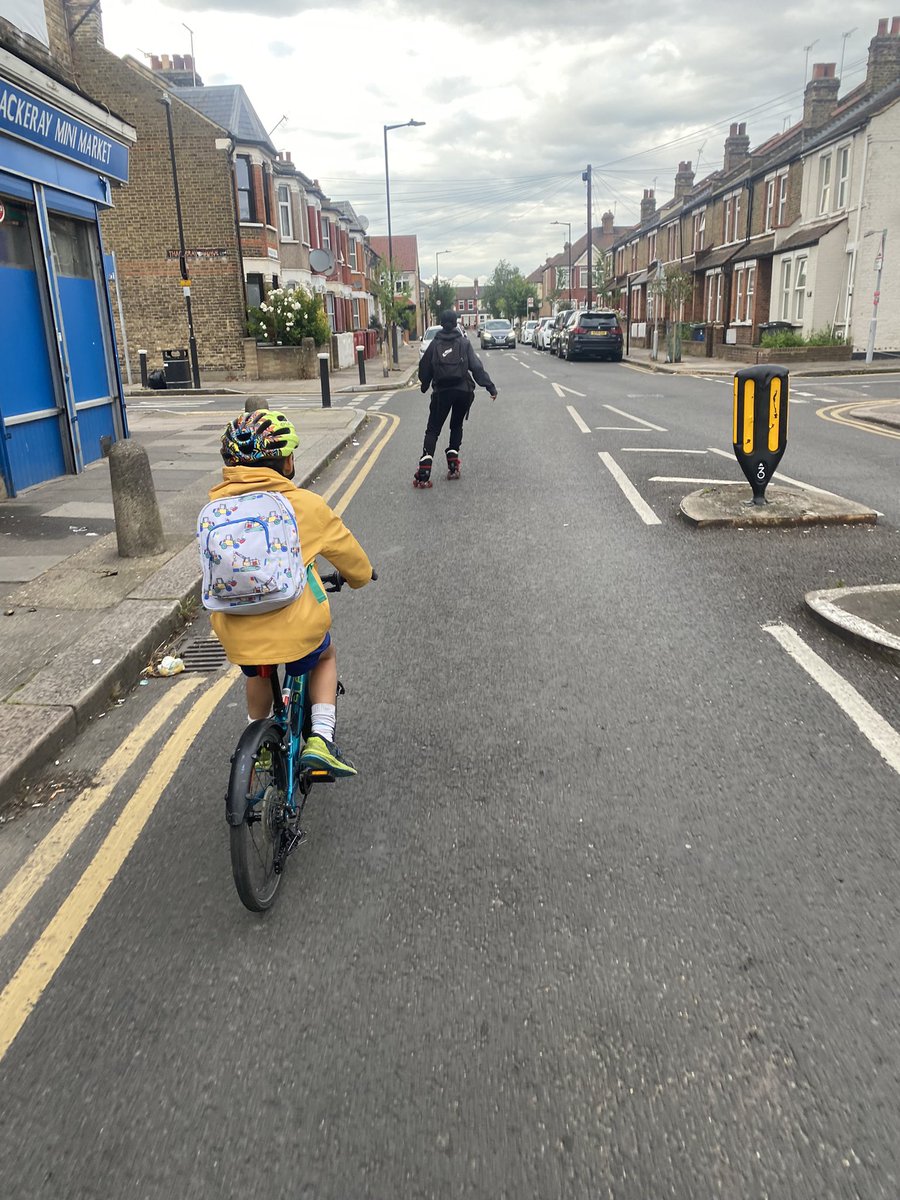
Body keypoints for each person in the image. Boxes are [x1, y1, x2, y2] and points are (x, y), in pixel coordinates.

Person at [210, 409, 374, 776]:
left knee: (257, 672)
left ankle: (259, 739)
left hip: (237, 632)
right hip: (297, 633)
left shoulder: (215, 510)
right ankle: (320, 739)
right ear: (283, 462)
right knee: (325, 655)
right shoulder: (305, 506)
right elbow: (352, 560)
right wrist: (361, 577)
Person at [415, 309, 497, 485]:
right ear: (456, 322)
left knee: (433, 430)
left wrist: (424, 384)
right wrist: (490, 387)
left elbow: (425, 368)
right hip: (463, 391)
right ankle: (453, 465)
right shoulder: (463, 342)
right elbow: (476, 367)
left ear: (442, 323)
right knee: (456, 425)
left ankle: (424, 471)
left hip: (442, 392)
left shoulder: (435, 343)